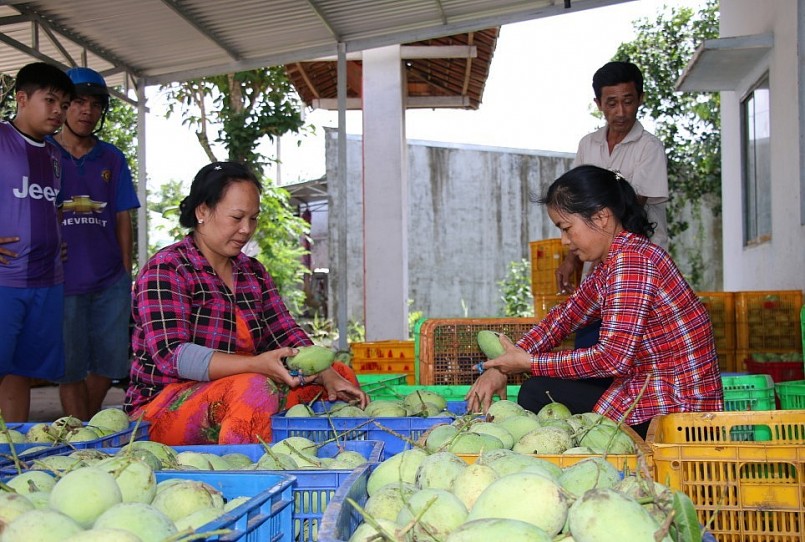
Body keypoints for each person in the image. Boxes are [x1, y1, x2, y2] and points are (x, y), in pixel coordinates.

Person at [466, 165, 722, 437]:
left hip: (675, 415)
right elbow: (563, 318)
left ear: (601, 217)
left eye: (566, 228)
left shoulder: (631, 263)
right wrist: (502, 364)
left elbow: (612, 359)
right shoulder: (612, 263)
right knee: (543, 388)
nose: (564, 241)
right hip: (646, 390)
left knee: (536, 393)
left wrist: (529, 362)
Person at [123, 161, 368, 445]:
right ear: (202, 211)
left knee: (338, 375)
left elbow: (286, 334)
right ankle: (244, 471)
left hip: (236, 390)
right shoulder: (168, 268)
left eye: (253, 218)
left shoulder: (252, 272)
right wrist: (255, 365)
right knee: (255, 387)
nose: (246, 229)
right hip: (162, 407)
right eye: (237, 217)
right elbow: (172, 354)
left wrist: (324, 372)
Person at [48, 67, 141, 420]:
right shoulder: (44, 152)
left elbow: (122, 215)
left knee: (110, 361)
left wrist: (125, 269)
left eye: (96, 105)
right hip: (61, 279)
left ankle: (87, 425)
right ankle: (84, 431)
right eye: (79, 102)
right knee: (69, 366)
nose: (87, 111)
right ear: (65, 106)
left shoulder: (112, 158)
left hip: (109, 279)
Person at [558, 60, 669, 349]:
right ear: (598, 103)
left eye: (628, 101)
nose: (620, 112)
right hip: (600, 267)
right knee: (589, 341)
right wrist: (572, 258)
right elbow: (574, 207)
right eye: (611, 103)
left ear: (640, 99)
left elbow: (631, 209)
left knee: (623, 348)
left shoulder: (649, 147)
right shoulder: (588, 145)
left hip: (638, 267)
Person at [0, 62, 74, 422]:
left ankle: (12, 448)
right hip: (4, 280)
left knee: (20, 370)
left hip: (47, 281)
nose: (59, 111)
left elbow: (54, 207)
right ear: (22, 98)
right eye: (50, 101)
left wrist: (55, 237)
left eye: (63, 104)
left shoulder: (54, 154)